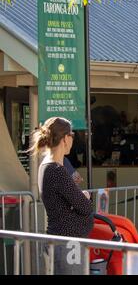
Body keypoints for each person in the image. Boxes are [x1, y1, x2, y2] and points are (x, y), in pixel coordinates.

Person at [28, 117, 93, 275]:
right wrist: (84, 196)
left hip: (62, 240)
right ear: (65, 138)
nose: (72, 139)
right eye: (72, 135)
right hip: (68, 243)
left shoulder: (47, 166)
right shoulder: (57, 170)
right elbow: (85, 207)